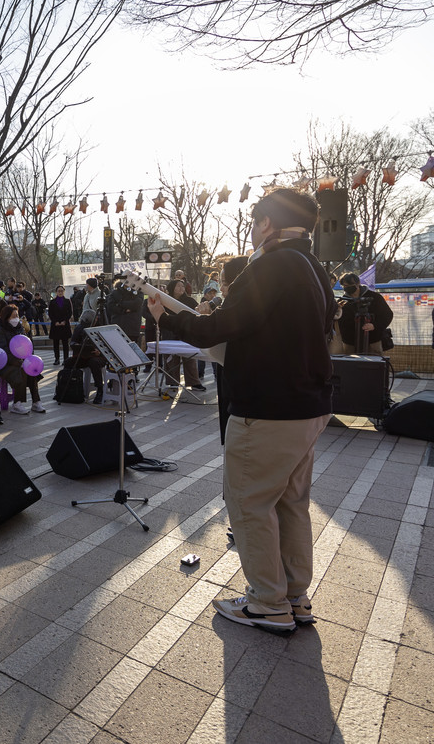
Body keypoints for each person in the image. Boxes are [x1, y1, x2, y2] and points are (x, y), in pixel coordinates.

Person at [145, 186, 334, 634]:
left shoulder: (269, 266)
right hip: (309, 404)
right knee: (290, 503)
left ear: (266, 223)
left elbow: (219, 328)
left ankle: (267, 602)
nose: (252, 230)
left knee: (250, 503)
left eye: (254, 222)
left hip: (268, 407)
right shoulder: (314, 268)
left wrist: (165, 317)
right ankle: (294, 596)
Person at [0, 303, 44, 414]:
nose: (16, 318)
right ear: (6, 317)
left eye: (17, 315)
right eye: (13, 316)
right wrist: (19, 363)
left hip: (18, 362)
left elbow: (27, 346)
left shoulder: (19, 328)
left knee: (32, 370)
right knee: (22, 370)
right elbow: (2, 351)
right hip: (2, 363)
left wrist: (29, 360)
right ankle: (17, 403)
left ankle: (36, 401)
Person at [334, 272, 393, 355]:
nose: (346, 288)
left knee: (374, 362)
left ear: (358, 283)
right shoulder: (342, 302)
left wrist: (374, 326)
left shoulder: (374, 297)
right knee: (349, 362)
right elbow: (337, 321)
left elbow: (387, 315)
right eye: (344, 286)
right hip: (350, 343)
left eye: (349, 285)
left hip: (372, 341)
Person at [68, 309, 108, 404]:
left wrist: (100, 352)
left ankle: (100, 390)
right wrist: (77, 346)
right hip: (82, 356)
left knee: (94, 363)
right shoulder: (79, 328)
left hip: (98, 357)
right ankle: (70, 389)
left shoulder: (100, 328)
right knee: (68, 362)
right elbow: (73, 342)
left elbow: (108, 346)